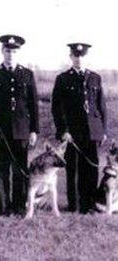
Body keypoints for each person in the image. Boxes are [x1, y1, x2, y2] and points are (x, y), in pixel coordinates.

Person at [0, 34, 39, 216]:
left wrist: (34, 131)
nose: (10, 54)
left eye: (14, 50)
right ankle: (3, 208)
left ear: (18, 52)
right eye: (7, 50)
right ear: (2, 51)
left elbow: (33, 105)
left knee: (20, 171)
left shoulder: (27, 74)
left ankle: (19, 207)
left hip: (21, 131)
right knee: (0, 171)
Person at [51, 42, 107, 214]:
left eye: (82, 56)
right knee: (73, 169)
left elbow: (101, 105)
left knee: (91, 168)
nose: (79, 58)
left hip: (93, 131)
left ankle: (89, 205)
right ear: (71, 57)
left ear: (86, 57)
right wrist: (63, 131)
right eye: (76, 55)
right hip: (72, 133)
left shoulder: (95, 78)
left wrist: (103, 130)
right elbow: (56, 108)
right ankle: (74, 205)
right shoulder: (63, 79)